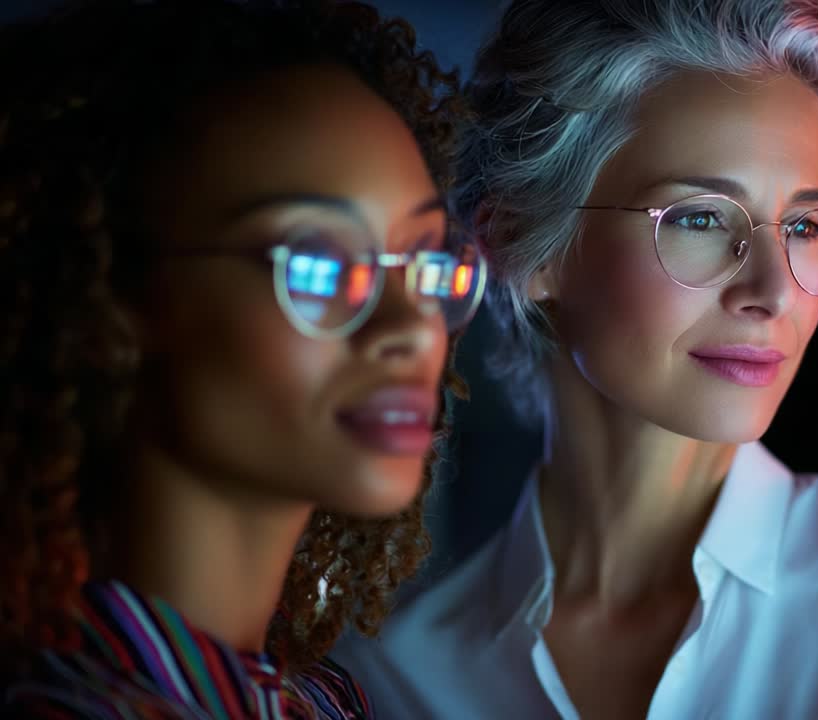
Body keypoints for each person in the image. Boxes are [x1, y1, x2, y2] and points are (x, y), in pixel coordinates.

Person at [332, 0, 818, 717]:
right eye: (701, 218)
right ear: (520, 243)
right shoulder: (393, 681)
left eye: (803, 227)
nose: (772, 291)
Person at [0, 0, 484, 716]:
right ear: (111, 286)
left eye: (420, 261)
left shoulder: (323, 701)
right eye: (317, 264)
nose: (411, 327)